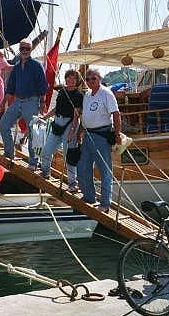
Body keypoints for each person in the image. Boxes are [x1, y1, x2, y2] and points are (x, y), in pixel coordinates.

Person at [77, 68, 122, 212]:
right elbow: (84, 116)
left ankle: (105, 203)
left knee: (104, 170)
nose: (90, 81)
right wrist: (79, 132)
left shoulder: (106, 93)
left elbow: (116, 114)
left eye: (93, 78)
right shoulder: (88, 95)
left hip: (101, 135)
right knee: (83, 167)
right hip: (88, 135)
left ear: (100, 79)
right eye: (88, 79)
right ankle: (89, 196)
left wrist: (117, 134)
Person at [0, 38, 48, 170]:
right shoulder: (15, 68)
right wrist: (3, 103)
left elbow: (43, 86)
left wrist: (43, 102)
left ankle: (33, 162)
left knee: (33, 132)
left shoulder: (37, 66)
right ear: (19, 50)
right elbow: (10, 88)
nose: (24, 51)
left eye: (27, 48)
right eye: (22, 48)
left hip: (32, 101)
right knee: (3, 124)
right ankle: (9, 153)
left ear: (31, 50)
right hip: (18, 101)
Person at [39, 69, 84, 192]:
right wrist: (45, 117)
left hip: (70, 124)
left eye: (73, 78)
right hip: (57, 122)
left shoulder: (79, 95)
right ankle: (45, 172)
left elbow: (77, 115)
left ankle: (72, 183)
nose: (70, 80)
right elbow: (56, 109)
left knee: (68, 155)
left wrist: (72, 132)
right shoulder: (62, 91)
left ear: (77, 81)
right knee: (47, 150)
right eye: (68, 77)